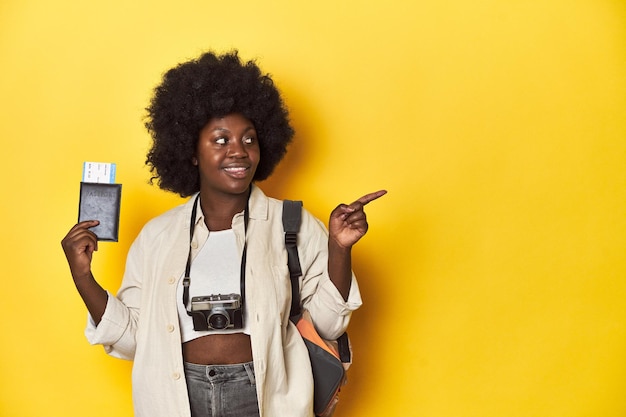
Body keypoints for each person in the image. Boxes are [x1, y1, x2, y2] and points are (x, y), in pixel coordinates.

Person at [61, 50, 386, 417]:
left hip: (267, 396)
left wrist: (340, 249)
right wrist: (83, 277)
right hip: (176, 397)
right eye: (220, 140)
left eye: (249, 140)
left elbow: (326, 324)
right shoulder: (157, 237)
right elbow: (135, 339)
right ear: (192, 152)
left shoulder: (290, 223)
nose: (239, 152)